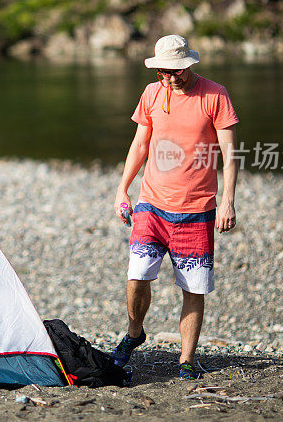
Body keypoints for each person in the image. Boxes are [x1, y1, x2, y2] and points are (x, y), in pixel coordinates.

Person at [112, 34, 239, 380]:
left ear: (190, 64)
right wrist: (123, 189)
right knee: (137, 275)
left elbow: (229, 154)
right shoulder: (153, 93)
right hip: (151, 203)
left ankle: (185, 360)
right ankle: (135, 333)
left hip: (197, 210)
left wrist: (227, 200)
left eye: (177, 71)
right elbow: (140, 143)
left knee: (193, 288)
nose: (170, 78)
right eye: (164, 72)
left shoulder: (215, 95)